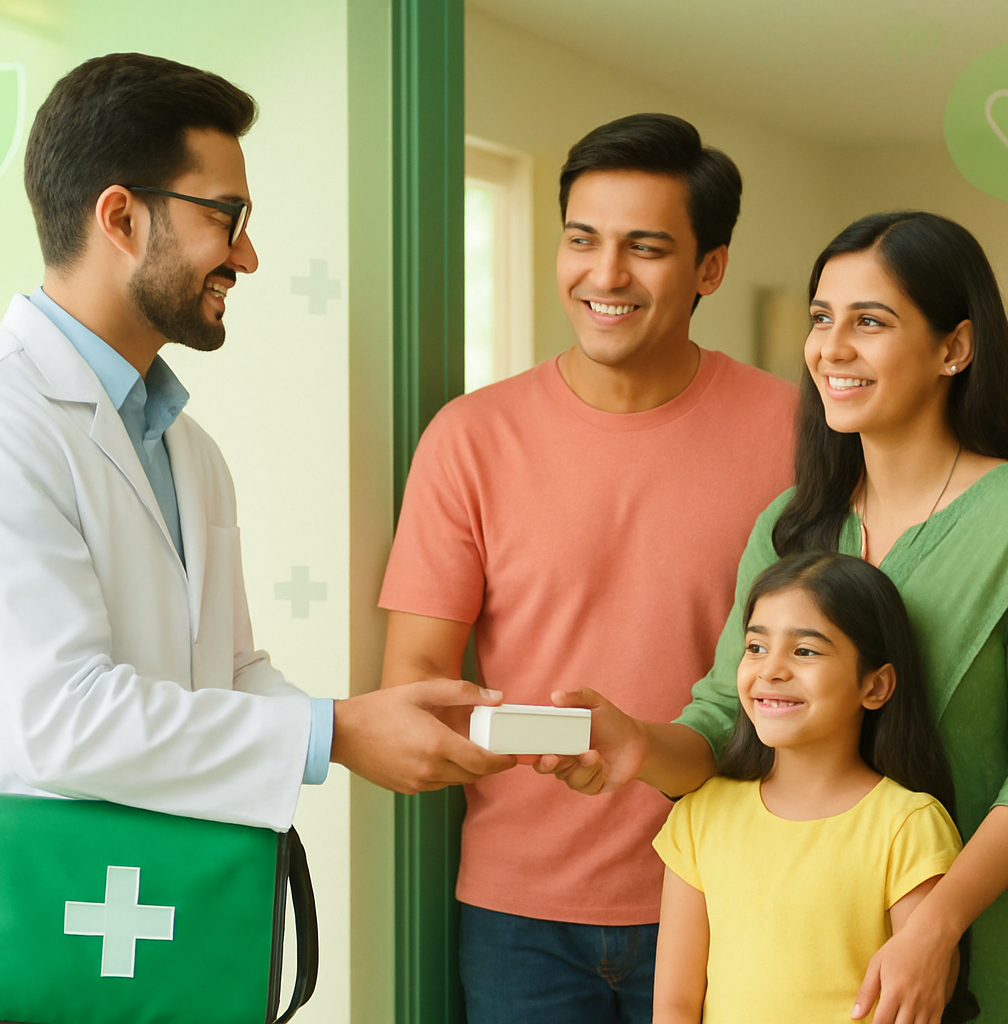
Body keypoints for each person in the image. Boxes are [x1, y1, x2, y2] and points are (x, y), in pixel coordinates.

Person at [0, 53, 514, 1024]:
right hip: (9, 956)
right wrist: (333, 732)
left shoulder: (187, 448)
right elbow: (61, 719)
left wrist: (362, 722)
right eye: (228, 218)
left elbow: (225, 664)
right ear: (122, 218)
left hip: (156, 941)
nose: (247, 257)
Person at [539, 211, 1008, 1024]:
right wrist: (635, 744)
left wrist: (934, 928)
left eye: (869, 322)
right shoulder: (792, 524)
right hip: (789, 959)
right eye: (820, 319)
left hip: (982, 937)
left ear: (955, 347)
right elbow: (722, 716)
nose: (831, 349)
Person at [377, 112, 797, 1024]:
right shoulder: (469, 438)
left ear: (709, 269)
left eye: (645, 248)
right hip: (517, 914)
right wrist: (533, 735)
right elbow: (412, 680)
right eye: (582, 240)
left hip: (735, 886)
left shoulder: (796, 432)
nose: (605, 276)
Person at [653, 551, 976, 1024]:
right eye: (756, 647)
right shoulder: (697, 817)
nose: (771, 670)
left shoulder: (909, 824)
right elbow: (675, 1005)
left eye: (804, 651)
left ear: (876, 686)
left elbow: (921, 999)